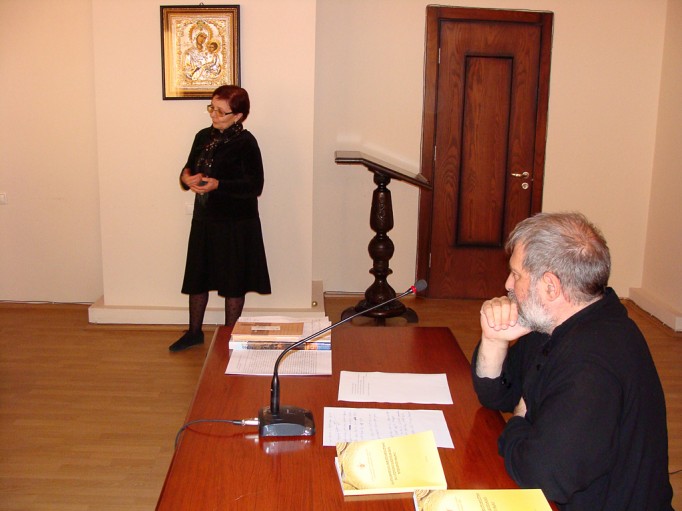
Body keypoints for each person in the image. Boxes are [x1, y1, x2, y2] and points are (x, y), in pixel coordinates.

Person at [471, 212, 674, 510]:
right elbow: (496, 395)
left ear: (551, 287)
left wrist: (517, 423)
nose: (507, 284)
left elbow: (545, 476)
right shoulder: (555, 324)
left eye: (516, 274)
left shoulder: (593, 362)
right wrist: (494, 340)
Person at [169, 85, 271, 352]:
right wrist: (186, 178)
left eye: (221, 111)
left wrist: (219, 185)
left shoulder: (246, 143)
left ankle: (230, 337)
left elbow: (255, 185)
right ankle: (194, 333)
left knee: (234, 281)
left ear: (238, 116)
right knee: (198, 276)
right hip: (205, 218)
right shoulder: (202, 136)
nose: (213, 115)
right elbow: (188, 168)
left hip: (236, 222)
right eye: (212, 108)